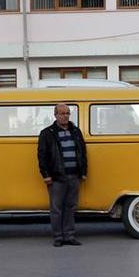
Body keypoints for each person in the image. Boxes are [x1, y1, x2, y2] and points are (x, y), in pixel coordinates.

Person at [38, 104, 87, 247]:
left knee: (70, 207)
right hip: (56, 177)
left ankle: (69, 236)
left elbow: (83, 153)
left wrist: (83, 172)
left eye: (67, 113)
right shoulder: (47, 133)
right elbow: (42, 156)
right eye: (61, 113)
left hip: (74, 176)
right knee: (56, 209)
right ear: (55, 115)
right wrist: (46, 175)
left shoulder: (76, 132)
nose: (65, 116)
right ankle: (58, 237)